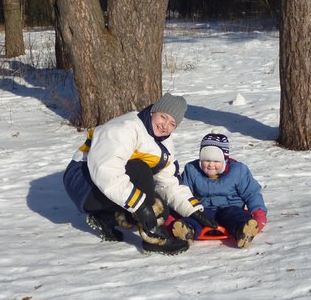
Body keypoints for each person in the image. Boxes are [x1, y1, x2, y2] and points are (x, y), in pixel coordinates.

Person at [63, 93, 217, 255]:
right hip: (83, 181)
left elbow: (168, 183)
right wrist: (140, 205)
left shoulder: (164, 144)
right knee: (141, 173)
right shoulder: (124, 129)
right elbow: (106, 171)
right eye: (163, 117)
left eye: (172, 123)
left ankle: (105, 218)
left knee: (161, 210)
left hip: (107, 184)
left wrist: (194, 211)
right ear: (153, 112)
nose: (165, 126)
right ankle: (154, 239)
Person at [172, 131, 267, 248]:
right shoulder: (191, 170)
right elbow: (182, 193)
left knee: (235, 216)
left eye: (216, 161)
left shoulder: (238, 171)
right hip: (203, 209)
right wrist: (174, 215)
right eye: (206, 160)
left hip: (231, 208)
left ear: (224, 160)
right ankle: (186, 230)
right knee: (195, 217)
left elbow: (251, 193)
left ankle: (243, 230)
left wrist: (259, 214)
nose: (211, 165)